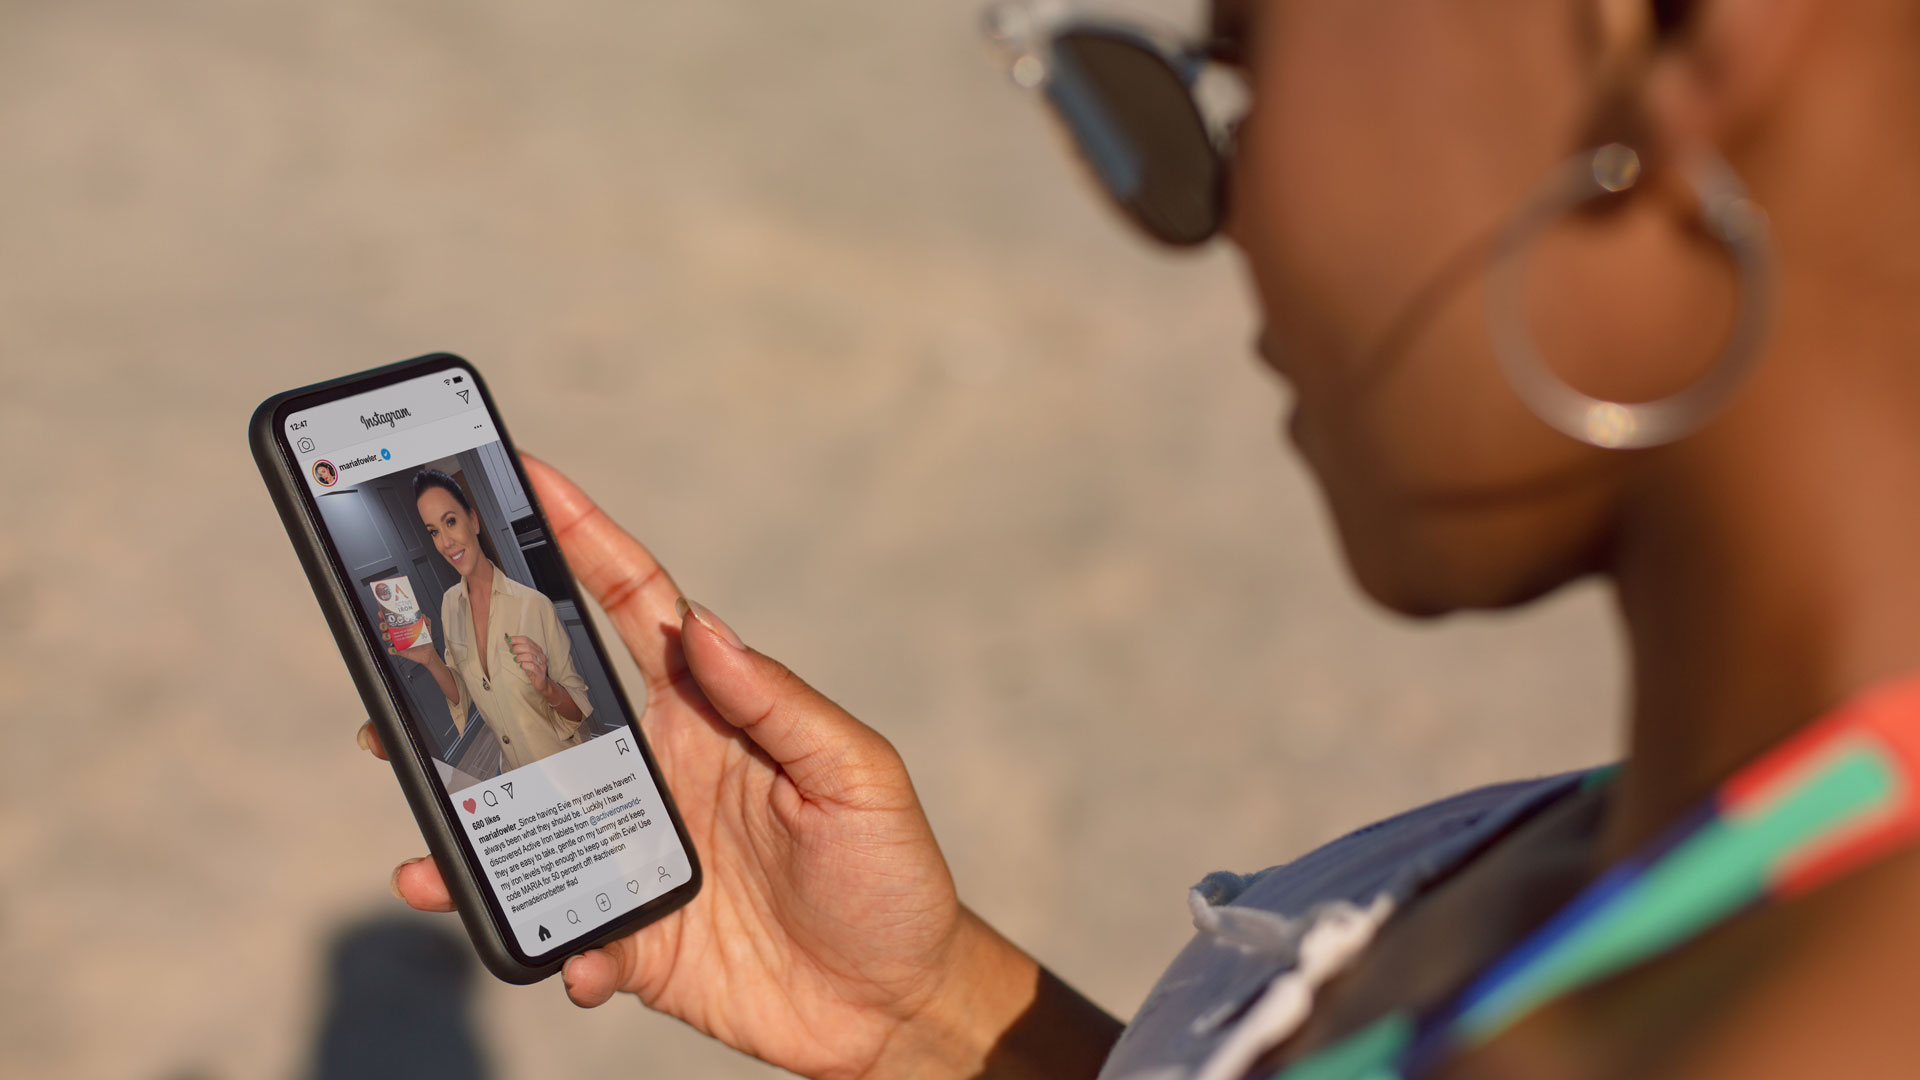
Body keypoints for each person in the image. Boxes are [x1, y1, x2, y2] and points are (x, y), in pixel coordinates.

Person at [358, 0, 1920, 1075]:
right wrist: (935, 1016)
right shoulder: (1742, 844)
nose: (1204, 216)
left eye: (1243, 59)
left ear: (1673, 33)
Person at [391, 468, 592, 772]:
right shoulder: (449, 604)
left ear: (473, 521)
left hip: (564, 766)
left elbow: (578, 712)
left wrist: (547, 687)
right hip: (512, 770)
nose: (445, 542)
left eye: (450, 521)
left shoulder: (535, 605)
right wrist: (430, 659)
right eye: (433, 531)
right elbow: (462, 692)